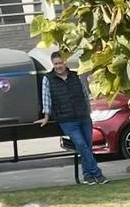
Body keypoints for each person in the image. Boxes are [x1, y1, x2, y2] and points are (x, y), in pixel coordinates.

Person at [39, 50, 105, 183]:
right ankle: (97, 174)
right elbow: (46, 98)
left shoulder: (76, 76)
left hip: (83, 116)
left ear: (65, 62)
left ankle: (87, 176)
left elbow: (85, 94)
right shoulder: (48, 79)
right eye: (56, 63)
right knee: (81, 146)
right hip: (66, 120)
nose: (58, 66)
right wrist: (46, 115)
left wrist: (88, 111)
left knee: (87, 146)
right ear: (53, 64)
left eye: (60, 63)